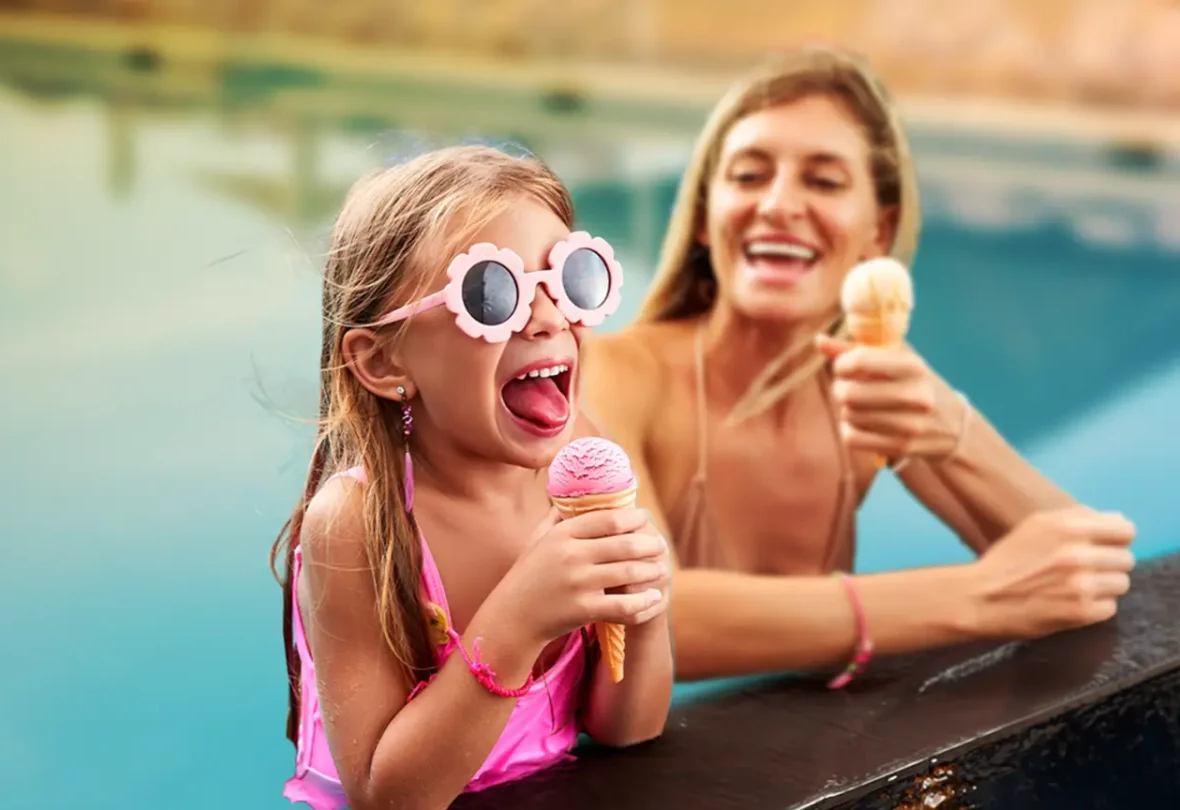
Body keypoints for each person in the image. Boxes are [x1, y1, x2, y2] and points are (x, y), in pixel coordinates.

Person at [583, 47, 1137, 684]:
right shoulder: (614, 373)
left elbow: (1089, 577)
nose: (778, 205)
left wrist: (953, 431)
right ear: (707, 216)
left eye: (823, 181)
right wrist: (974, 597)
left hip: (815, 761)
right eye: (748, 175)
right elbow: (642, 619)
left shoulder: (863, 386)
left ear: (880, 229)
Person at [272, 145, 674, 810]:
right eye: (493, 294)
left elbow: (627, 730)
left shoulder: (578, 463)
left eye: (569, 278)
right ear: (380, 361)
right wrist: (519, 621)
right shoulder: (359, 525)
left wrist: (647, 608)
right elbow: (388, 796)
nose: (549, 317)